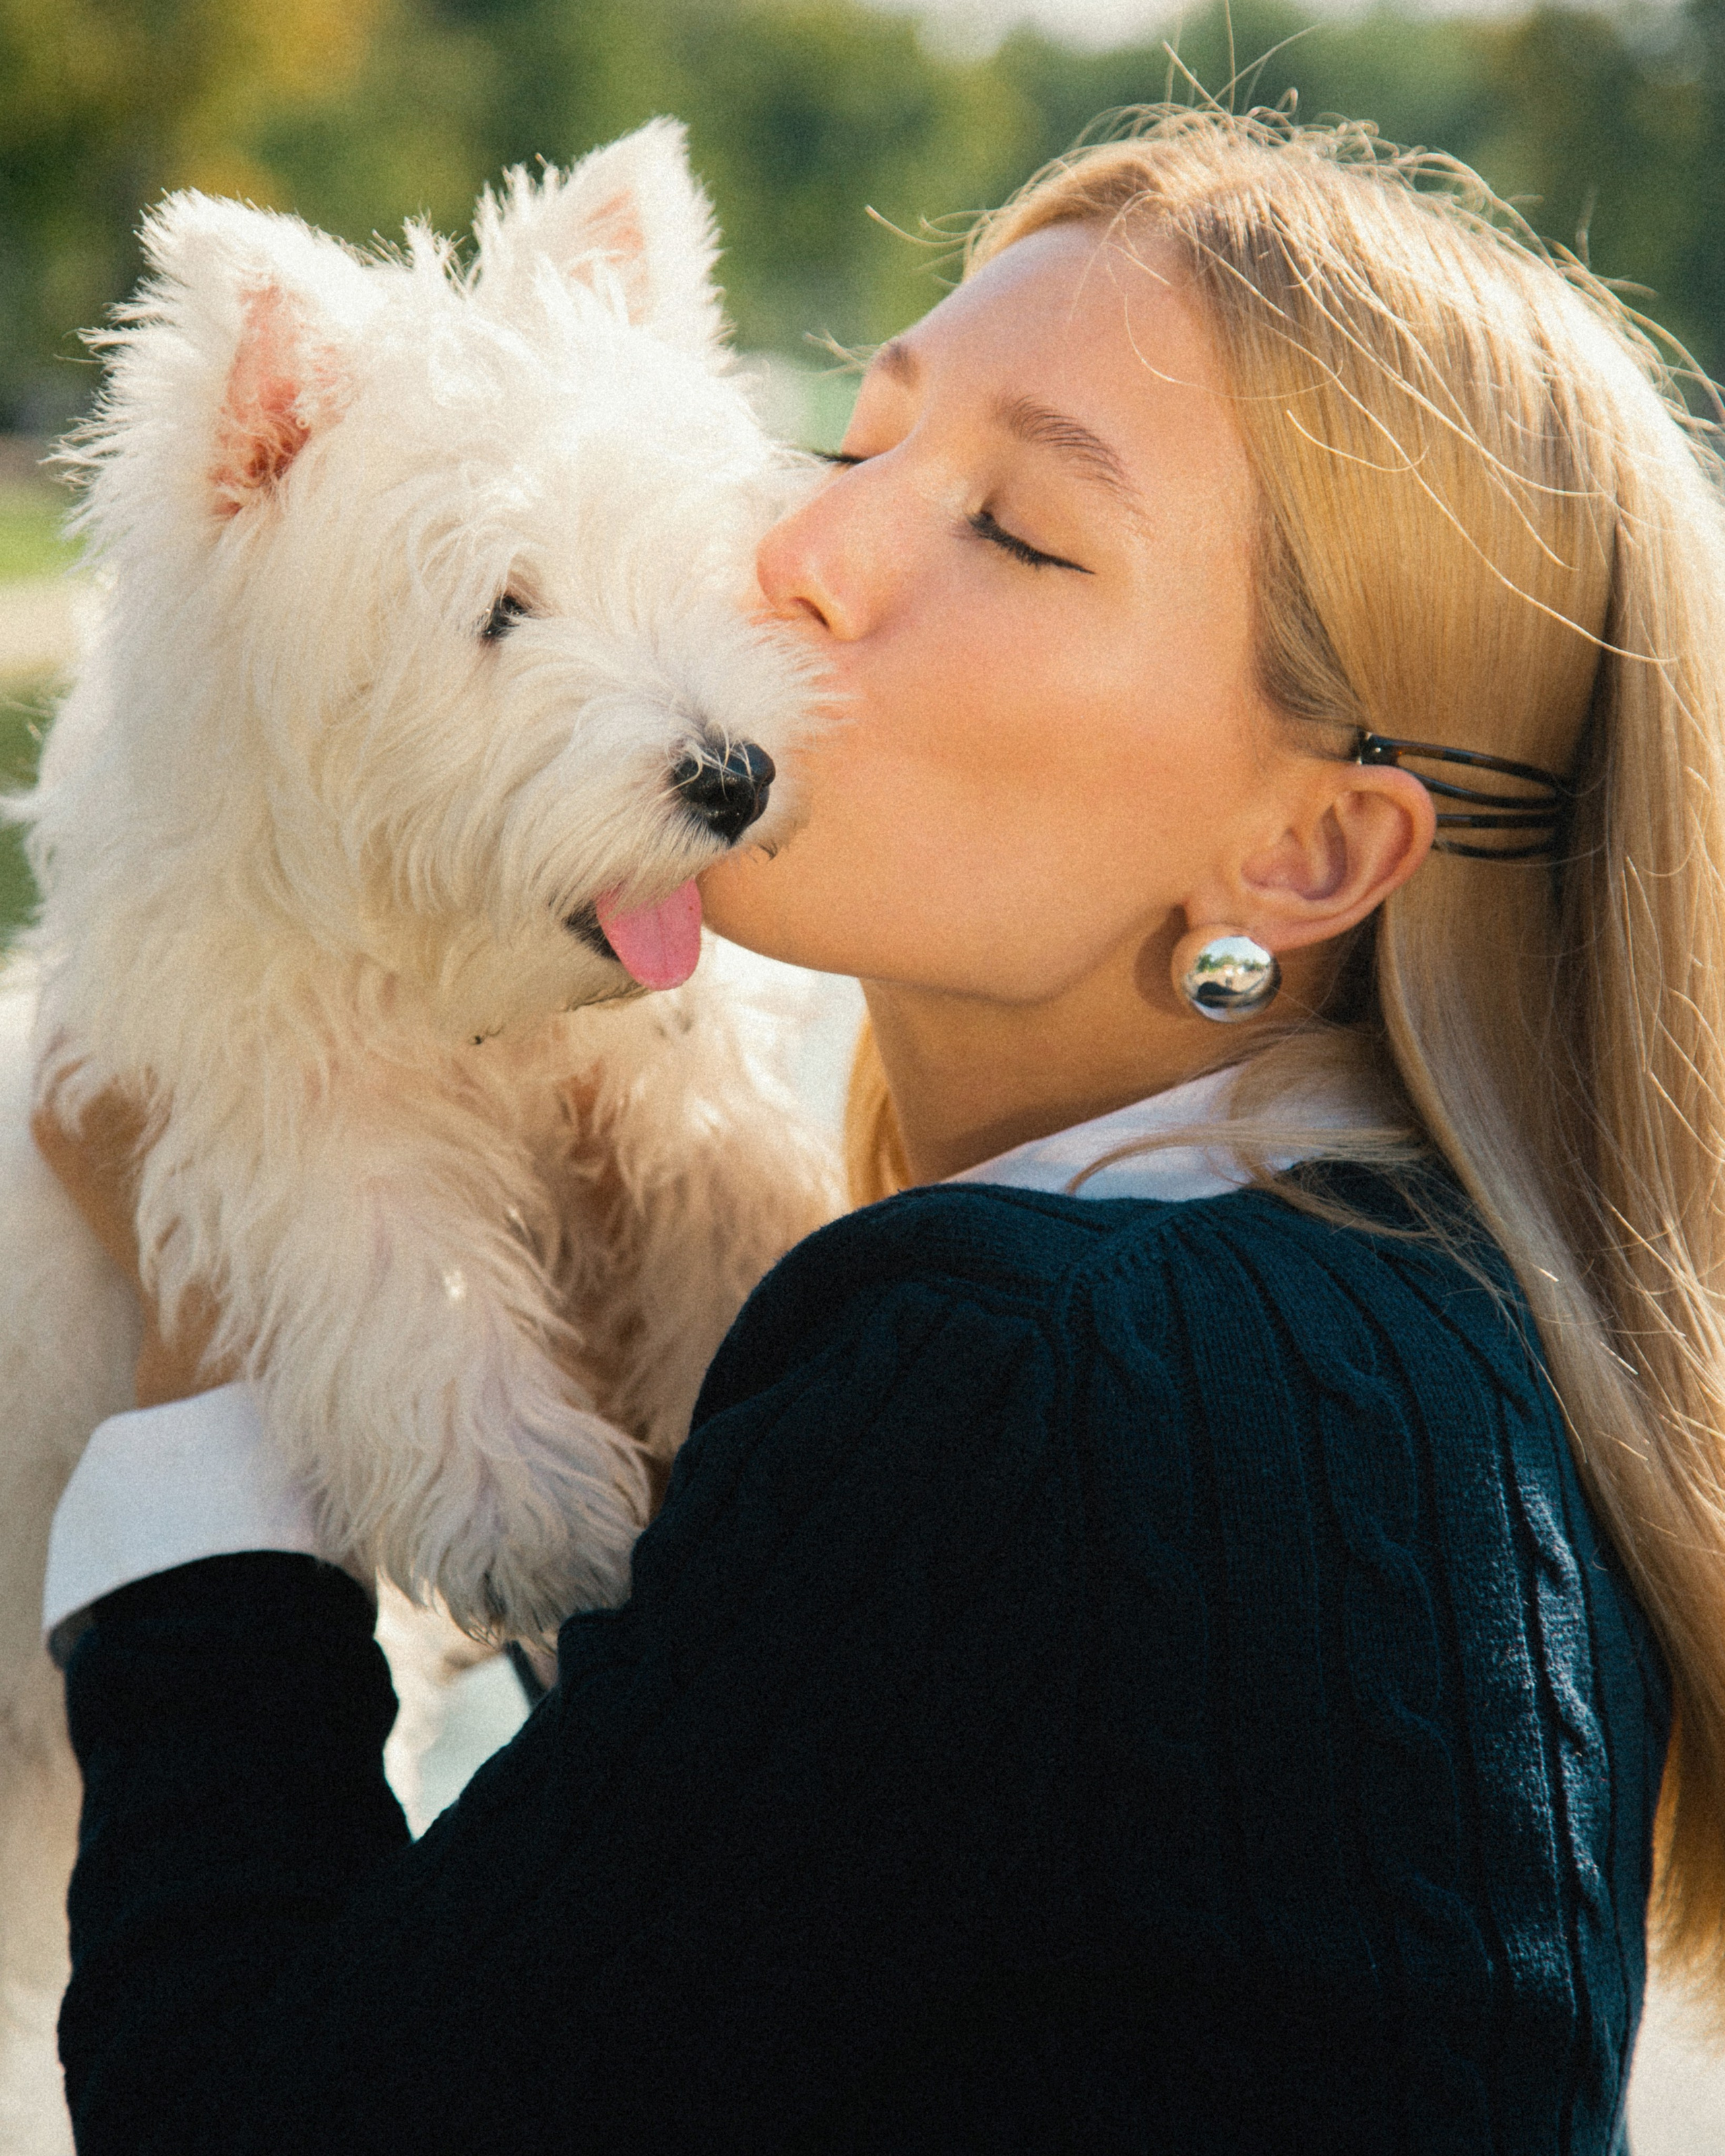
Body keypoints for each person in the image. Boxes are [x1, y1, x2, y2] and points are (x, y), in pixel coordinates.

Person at [32, 106, 1724, 2153]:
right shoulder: (1396, 1327)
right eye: (858, 444)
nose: (800, 550)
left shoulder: (1045, 1391)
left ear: (1308, 853)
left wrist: (207, 1366)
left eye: (1013, 528)